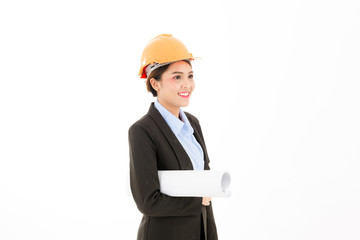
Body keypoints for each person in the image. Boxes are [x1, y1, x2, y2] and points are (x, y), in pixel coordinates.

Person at [128, 34, 218, 240]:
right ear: (155, 83)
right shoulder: (142, 131)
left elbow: (206, 190)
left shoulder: (193, 123)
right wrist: (197, 200)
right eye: (177, 77)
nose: (187, 84)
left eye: (190, 75)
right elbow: (147, 202)